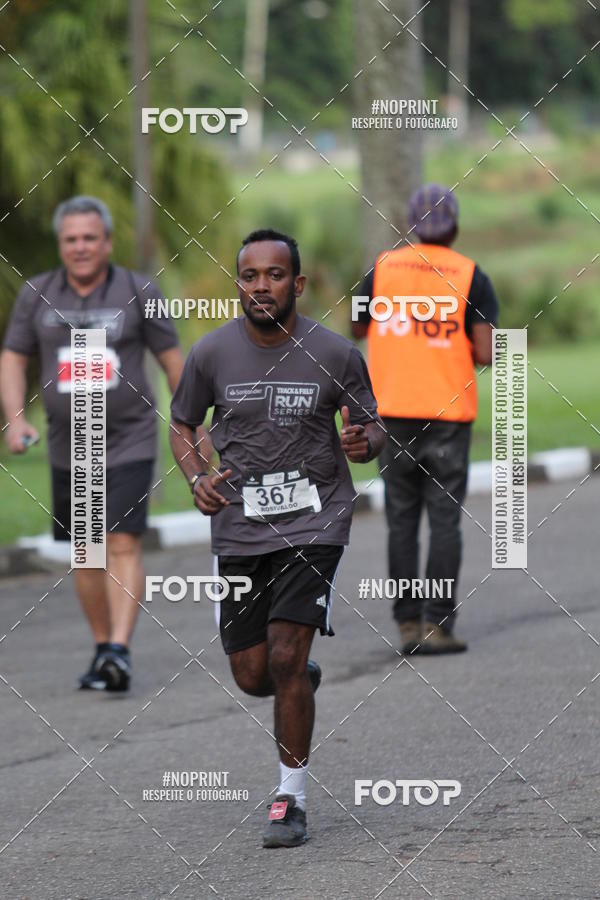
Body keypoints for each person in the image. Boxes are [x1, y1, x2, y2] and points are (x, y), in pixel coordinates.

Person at [169, 228, 385, 848]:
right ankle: (298, 681)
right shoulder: (211, 354)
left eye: (273, 274)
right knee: (252, 672)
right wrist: (196, 477)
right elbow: (182, 425)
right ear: (238, 282)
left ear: (298, 283)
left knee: (286, 656)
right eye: (249, 275)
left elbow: (372, 427)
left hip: (315, 522)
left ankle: (289, 797)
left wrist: (362, 442)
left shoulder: (335, 353)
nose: (261, 286)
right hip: (240, 528)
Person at [0, 195, 188, 692]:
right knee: (86, 551)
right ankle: (104, 647)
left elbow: (172, 360)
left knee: (122, 541)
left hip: (130, 438)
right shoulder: (36, 294)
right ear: (61, 245)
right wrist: (16, 419)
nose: (80, 247)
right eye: (71, 239)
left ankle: (120, 652)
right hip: (70, 443)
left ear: (106, 242)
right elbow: (14, 358)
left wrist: (190, 423)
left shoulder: (138, 290)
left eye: (90, 237)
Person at [351, 184, 498, 655]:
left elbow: (355, 325)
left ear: (409, 225)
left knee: (401, 520)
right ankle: (437, 625)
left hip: (392, 413)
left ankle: (408, 625)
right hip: (449, 416)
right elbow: (487, 351)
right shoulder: (472, 275)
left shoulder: (379, 270)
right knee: (444, 521)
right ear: (453, 227)